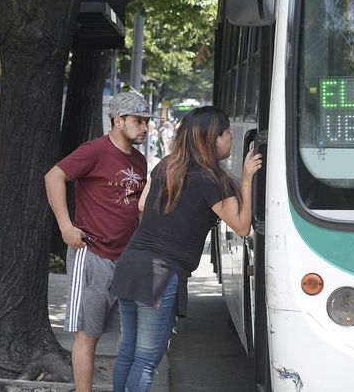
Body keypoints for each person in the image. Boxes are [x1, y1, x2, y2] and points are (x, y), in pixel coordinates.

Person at [109, 107, 262, 392]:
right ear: (212, 139)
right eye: (227, 132)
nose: (231, 137)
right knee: (146, 360)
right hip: (160, 273)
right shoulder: (212, 181)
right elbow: (242, 226)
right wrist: (247, 178)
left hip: (130, 263)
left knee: (128, 352)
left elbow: (141, 205)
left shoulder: (167, 165)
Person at [45, 92, 152, 392]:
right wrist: (65, 226)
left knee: (126, 337)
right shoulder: (94, 150)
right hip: (92, 255)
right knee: (87, 336)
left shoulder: (140, 160)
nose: (144, 127)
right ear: (118, 121)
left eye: (146, 121)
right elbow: (53, 177)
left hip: (126, 260)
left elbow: (137, 208)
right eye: (138, 121)